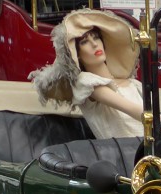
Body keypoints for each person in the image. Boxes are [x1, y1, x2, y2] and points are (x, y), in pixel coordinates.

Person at [30, 9, 144, 139]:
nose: (94, 44)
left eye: (96, 37)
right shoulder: (87, 83)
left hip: (156, 148)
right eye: (84, 42)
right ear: (77, 54)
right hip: (127, 154)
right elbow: (138, 112)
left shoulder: (132, 83)